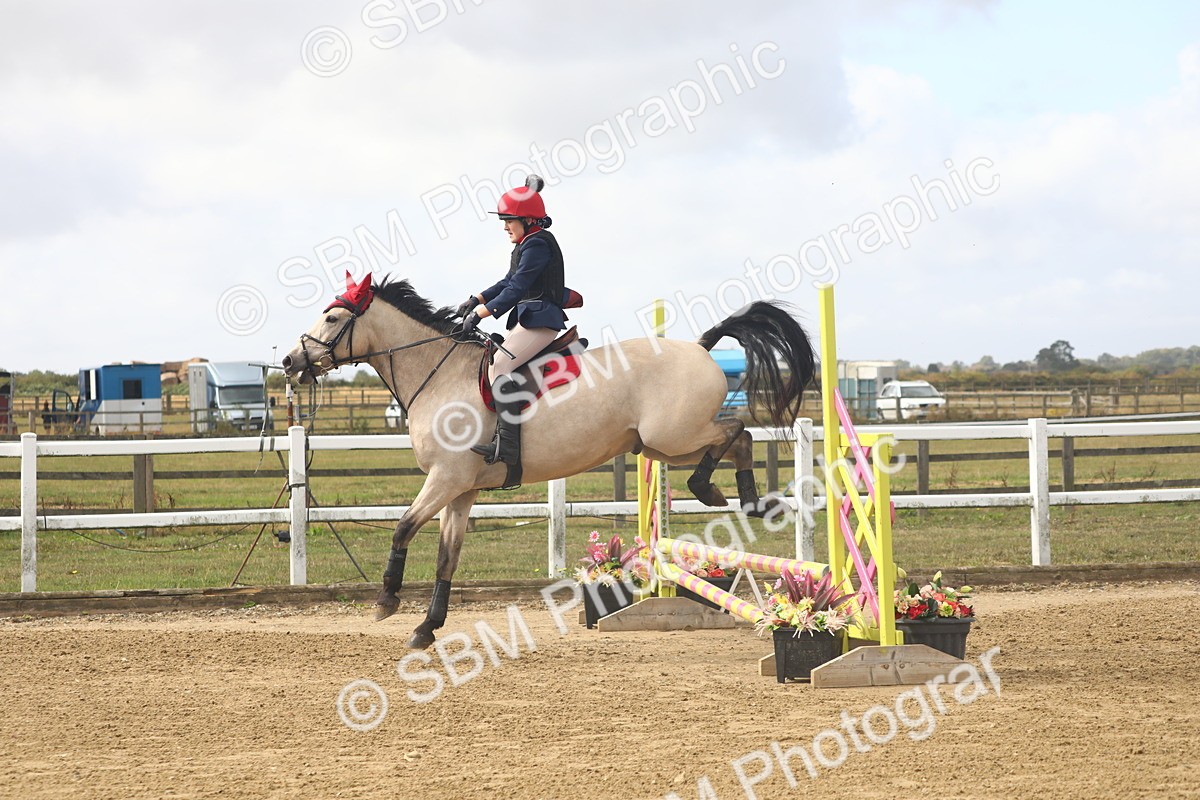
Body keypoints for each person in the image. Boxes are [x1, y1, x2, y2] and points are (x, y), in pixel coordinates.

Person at [456, 174, 566, 470]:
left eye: (509, 221)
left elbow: (517, 287)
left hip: (541, 319)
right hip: (528, 319)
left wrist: (481, 314)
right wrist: (476, 299)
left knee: (501, 366)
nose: (505, 227)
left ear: (528, 220)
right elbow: (507, 281)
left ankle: (508, 446)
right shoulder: (527, 243)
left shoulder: (539, 245)